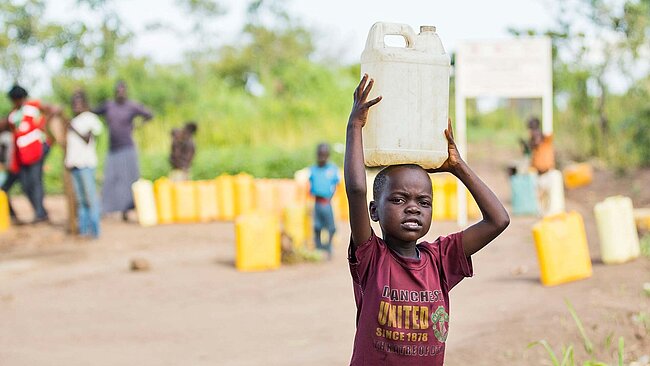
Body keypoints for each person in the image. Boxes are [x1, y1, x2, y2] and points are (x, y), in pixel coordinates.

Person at [344, 75, 509, 365]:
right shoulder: (372, 257)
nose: (413, 209)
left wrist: (457, 166)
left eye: (424, 202)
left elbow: (498, 220)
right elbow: (357, 190)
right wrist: (355, 125)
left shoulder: (440, 259)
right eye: (398, 199)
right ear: (374, 212)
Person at [93, 80, 153, 221]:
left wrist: (137, 125)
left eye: (122, 90)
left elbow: (149, 114)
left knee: (129, 180)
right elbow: (93, 111)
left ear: (126, 92)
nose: (120, 93)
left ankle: (127, 210)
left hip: (127, 148)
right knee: (110, 180)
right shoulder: (109, 105)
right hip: (113, 149)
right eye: (118, 90)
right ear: (115, 92)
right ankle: (106, 210)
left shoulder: (131, 106)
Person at [0, 85, 60, 224]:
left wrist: (48, 124)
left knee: (35, 181)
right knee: (26, 184)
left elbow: (51, 109)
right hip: (23, 155)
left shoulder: (32, 107)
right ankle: (41, 211)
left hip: (36, 150)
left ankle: (40, 214)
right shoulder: (13, 114)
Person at [65, 90, 102, 238]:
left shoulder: (90, 118)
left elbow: (87, 139)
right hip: (74, 165)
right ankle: (84, 230)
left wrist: (73, 129)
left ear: (85, 104)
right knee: (80, 201)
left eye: (79, 103)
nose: (76, 106)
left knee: (90, 199)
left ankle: (95, 231)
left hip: (86, 165)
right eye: (74, 103)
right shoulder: (73, 121)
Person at [308, 142, 340, 259]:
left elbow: (337, 184)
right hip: (316, 203)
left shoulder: (332, 169)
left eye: (324, 155)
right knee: (317, 227)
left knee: (331, 228)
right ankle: (318, 247)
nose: (322, 157)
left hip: (327, 203)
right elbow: (309, 185)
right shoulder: (313, 170)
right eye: (320, 154)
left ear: (328, 155)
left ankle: (328, 246)